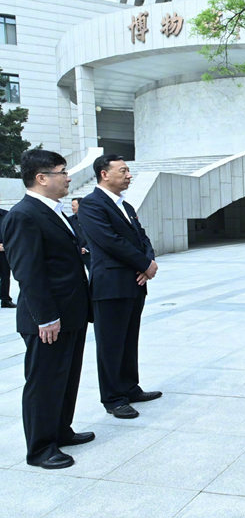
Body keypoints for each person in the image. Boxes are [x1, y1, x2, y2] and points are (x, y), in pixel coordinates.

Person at [1, 149, 92, 469]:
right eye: (62, 171)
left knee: (66, 378)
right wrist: (46, 317)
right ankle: (40, 448)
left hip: (70, 313)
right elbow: (28, 272)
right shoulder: (24, 215)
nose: (68, 177)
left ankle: (60, 430)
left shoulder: (55, 211)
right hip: (48, 319)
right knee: (44, 382)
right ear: (41, 178)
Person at [78, 154, 161, 419]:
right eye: (123, 171)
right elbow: (110, 241)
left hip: (134, 283)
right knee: (111, 343)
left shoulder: (125, 205)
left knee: (128, 338)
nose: (129, 175)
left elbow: (141, 236)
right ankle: (113, 398)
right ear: (104, 174)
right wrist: (143, 265)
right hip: (111, 285)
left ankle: (129, 387)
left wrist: (149, 261)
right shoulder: (92, 205)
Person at [69, 197, 91, 271]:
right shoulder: (70, 220)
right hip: (77, 253)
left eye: (73, 206)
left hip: (90, 253)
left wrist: (86, 248)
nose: (72, 208)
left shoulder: (90, 218)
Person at [0, 206, 15, 308]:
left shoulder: (6, 214)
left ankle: (5, 300)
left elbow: (13, 232)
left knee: (5, 275)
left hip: (4, 251)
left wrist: (7, 245)